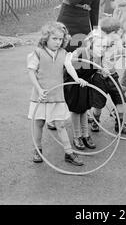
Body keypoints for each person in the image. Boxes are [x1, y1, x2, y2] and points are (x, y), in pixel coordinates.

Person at [27, 22, 87, 166]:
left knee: (60, 125)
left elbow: (69, 66)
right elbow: (31, 72)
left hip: (57, 96)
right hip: (41, 96)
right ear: (46, 37)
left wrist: (77, 79)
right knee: (39, 123)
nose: (58, 42)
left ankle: (69, 153)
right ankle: (37, 149)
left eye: (60, 39)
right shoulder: (38, 52)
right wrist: (39, 89)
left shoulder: (63, 53)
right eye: (54, 38)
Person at [87, 29, 126, 135]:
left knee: (120, 102)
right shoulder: (98, 48)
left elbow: (122, 50)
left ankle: (120, 125)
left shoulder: (116, 44)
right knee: (98, 106)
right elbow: (91, 61)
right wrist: (101, 68)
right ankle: (95, 121)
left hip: (113, 77)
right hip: (99, 79)